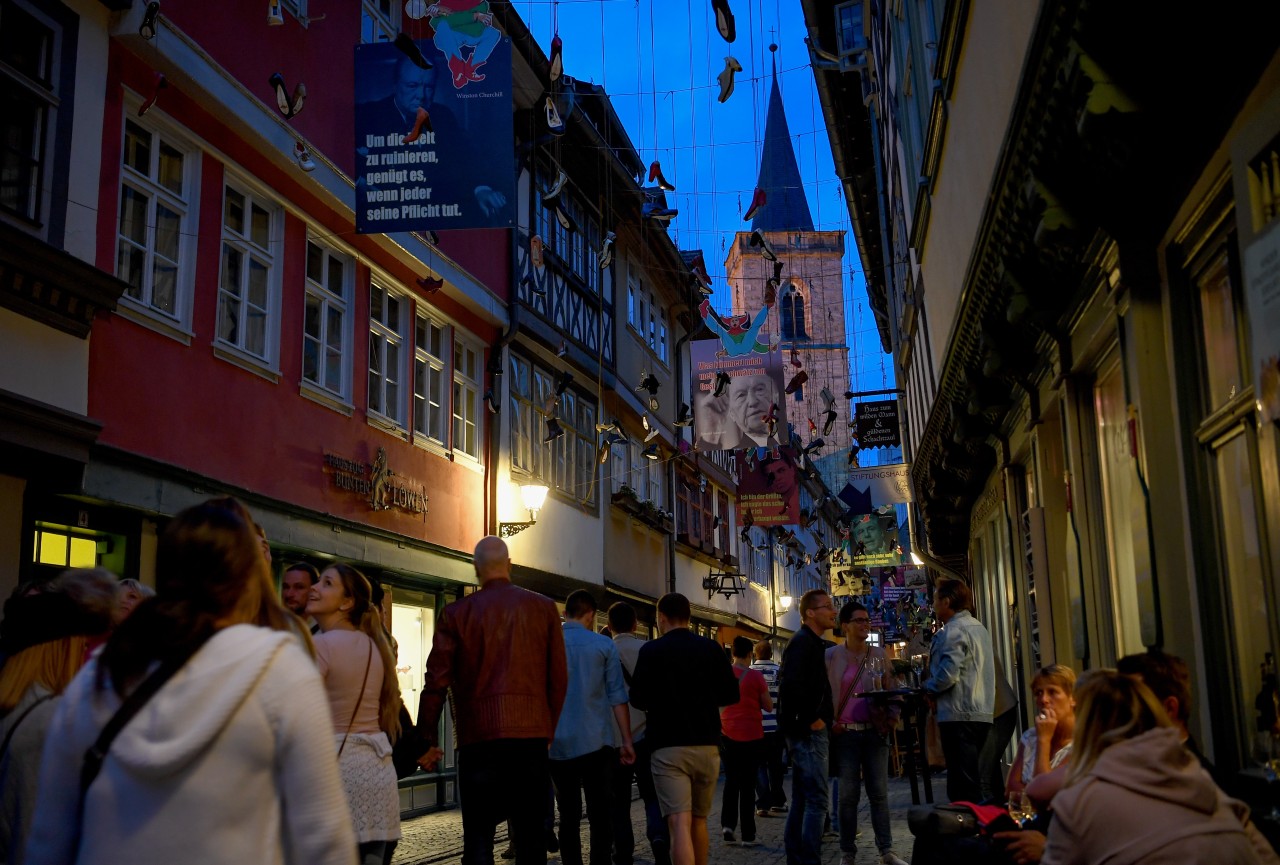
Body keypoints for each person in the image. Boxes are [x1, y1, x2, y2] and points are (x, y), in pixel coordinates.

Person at [23, 498, 355, 865]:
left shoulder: (99, 675)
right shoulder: (279, 671)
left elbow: (48, 839)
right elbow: (324, 841)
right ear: (248, 579)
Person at [416, 536, 568, 865]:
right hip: (529, 740)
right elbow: (558, 679)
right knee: (530, 839)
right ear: (509, 565)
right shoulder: (543, 609)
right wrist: (548, 728)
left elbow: (435, 682)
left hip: (478, 740)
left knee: (479, 839)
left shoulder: (456, 614)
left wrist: (425, 739)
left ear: (476, 569)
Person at [1040, 671, 1280, 865]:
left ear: (1086, 726)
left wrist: (1043, 849)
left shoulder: (1079, 805)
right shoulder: (1202, 782)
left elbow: (1036, 790)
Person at [0, 569, 115, 864]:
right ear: (60, 648)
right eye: (81, 644)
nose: (84, 653)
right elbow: (31, 841)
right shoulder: (49, 721)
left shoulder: (15, 703)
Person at [628, 593, 740, 865]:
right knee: (699, 822)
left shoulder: (650, 651)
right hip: (706, 744)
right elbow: (730, 694)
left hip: (667, 747)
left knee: (678, 823)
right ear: (689, 617)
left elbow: (637, 699)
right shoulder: (711, 649)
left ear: (661, 618)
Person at [308, 564, 403, 865]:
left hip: (337, 773)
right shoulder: (375, 646)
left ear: (346, 602)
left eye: (326, 583)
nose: (314, 588)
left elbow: (298, 711)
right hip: (377, 773)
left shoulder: (321, 645)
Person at [357, 52, 509, 223]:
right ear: (395, 85)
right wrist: (359, 183)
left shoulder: (443, 117)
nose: (421, 95)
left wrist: (481, 189)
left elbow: (467, 158)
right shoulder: (368, 115)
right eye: (413, 85)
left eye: (428, 87)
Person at [550, 590, 634, 865]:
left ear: (565, 614)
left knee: (568, 816)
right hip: (597, 744)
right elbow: (617, 697)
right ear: (591, 615)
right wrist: (627, 741)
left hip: (558, 745)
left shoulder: (548, 645)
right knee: (600, 814)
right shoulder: (603, 646)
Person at [825, 602, 908, 865]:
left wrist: (892, 720)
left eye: (866, 620)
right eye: (858, 620)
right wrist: (831, 723)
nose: (864, 624)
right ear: (845, 625)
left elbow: (892, 688)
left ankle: (886, 850)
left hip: (875, 732)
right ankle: (847, 852)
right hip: (846, 734)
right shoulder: (832, 656)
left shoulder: (879, 654)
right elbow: (824, 695)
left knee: (879, 793)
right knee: (848, 795)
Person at [607, 602, 670, 865]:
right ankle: (658, 838)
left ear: (609, 626)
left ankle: (622, 851)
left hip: (614, 740)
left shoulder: (605, 652)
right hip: (647, 736)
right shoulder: (649, 650)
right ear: (635, 624)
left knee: (618, 801)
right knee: (652, 795)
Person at [778, 589, 838, 865]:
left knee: (803, 798)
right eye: (826, 606)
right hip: (808, 732)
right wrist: (813, 718)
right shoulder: (804, 643)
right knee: (816, 800)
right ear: (810, 613)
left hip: (803, 729)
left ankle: (796, 856)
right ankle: (810, 859)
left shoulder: (809, 642)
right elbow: (791, 686)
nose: (832, 611)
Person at [923, 579, 994, 804]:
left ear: (947, 601)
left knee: (962, 783)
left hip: (958, 713)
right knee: (971, 777)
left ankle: (968, 830)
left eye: (935, 599)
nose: (933, 604)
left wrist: (928, 687)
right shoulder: (978, 627)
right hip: (980, 710)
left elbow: (948, 675)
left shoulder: (953, 631)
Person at [719, 636, 772, 847]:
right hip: (752, 736)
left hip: (727, 734)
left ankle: (727, 826)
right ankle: (748, 835)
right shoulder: (756, 678)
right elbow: (768, 706)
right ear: (750, 654)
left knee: (731, 782)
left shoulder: (722, 676)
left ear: (733, 653)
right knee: (748, 786)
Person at [751, 639, 787, 815]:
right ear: (771, 654)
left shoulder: (749, 673)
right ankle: (778, 801)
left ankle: (763, 802)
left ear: (755, 654)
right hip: (776, 726)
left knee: (759, 765)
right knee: (776, 765)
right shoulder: (778, 672)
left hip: (756, 726)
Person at [980, 656, 1020, 802]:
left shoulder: (967, 638)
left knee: (983, 775)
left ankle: (987, 816)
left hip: (998, 710)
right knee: (990, 771)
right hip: (997, 709)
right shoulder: (976, 636)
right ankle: (996, 811)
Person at [727, 374, 781, 448]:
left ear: (776, 397)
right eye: (741, 395)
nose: (752, 401)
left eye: (760, 389)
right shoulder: (737, 455)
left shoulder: (792, 437)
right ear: (731, 413)